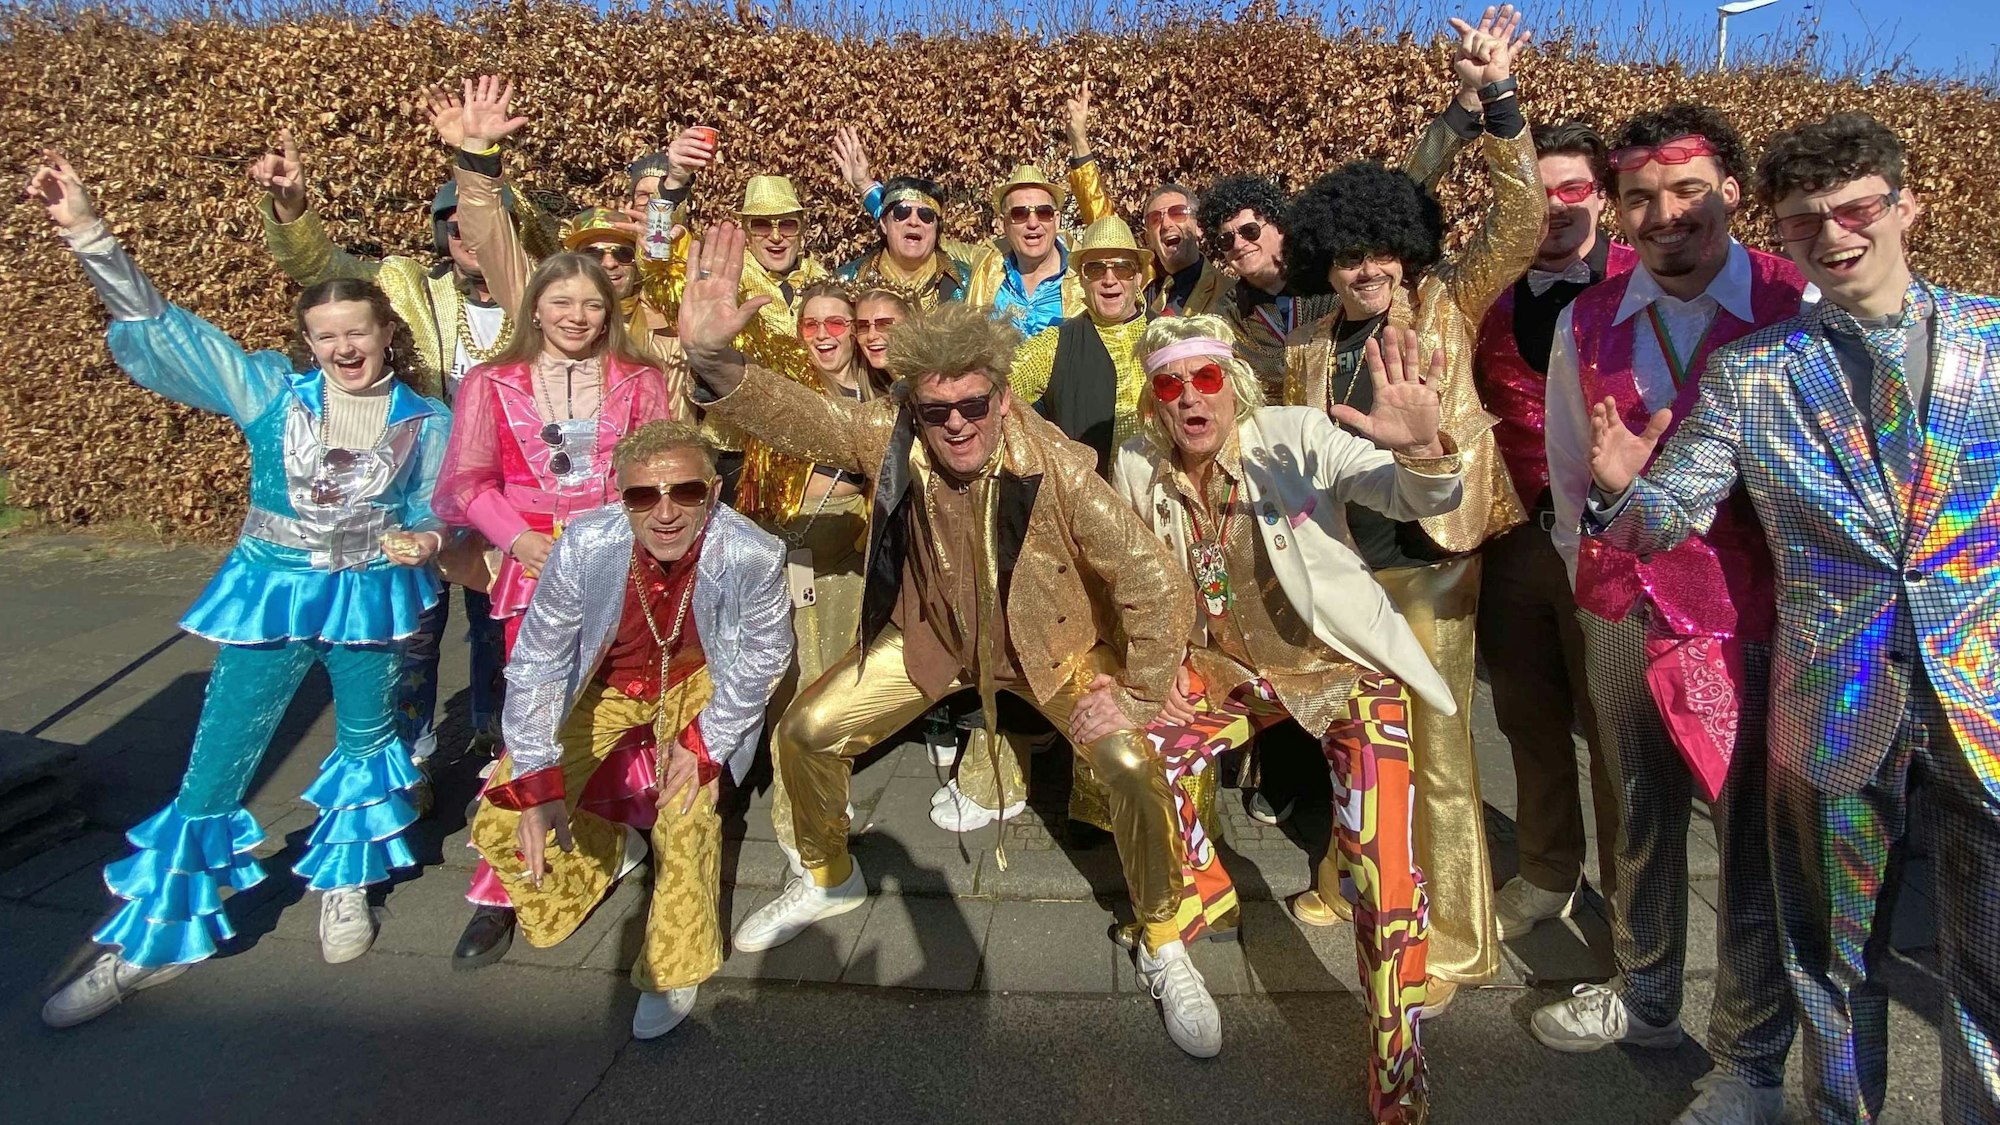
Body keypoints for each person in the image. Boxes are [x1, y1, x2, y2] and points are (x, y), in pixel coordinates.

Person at [680, 223, 1221, 1058]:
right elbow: (805, 418)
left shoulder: (1058, 467)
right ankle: (828, 875)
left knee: (1129, 765)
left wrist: (1139, 692)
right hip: (935, 638)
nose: (958, 424)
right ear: (914, 407)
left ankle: (1162, 937)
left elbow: (1154, 580)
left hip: (1050, 651)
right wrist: (715, 362)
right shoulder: (891, 434)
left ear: (1002, 398)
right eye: (937, 411)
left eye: (974, 405)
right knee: (806, 732)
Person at [1587, 111, 2000, 1125]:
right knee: (1829, 956)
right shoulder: (1752, 371)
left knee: (1988, 961)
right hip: (1831, 695)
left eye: (1854, 210)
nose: (1832, 236)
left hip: (1981, 694)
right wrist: (1623, 494)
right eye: (1804, 221)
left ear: (1905, 206)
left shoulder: (1992, 343)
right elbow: (1671, 510)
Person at [33, 154, 448, 1027]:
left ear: (387, 332)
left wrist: (431, 537)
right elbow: (165, 327)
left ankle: (347, 883)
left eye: (357, 332)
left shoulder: (428, 418)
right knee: (217, 762)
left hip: (371, 600)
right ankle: (153, 938)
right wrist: (89, 233)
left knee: (369, 744)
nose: (343, 348)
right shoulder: (267, 391)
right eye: (325, 336)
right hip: (272, 598)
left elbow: (436, 504)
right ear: (308, 342)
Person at [1533, 104, 1811, 1125]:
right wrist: (1588, 573)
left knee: (1753, 839)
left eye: (1687, 190)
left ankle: (1750, 1061)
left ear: (1731, 191)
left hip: (1752, 612)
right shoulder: (1589, 320)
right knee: (1638, 804)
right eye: (1641, 196)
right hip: (1623, 601)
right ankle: (1647, 992)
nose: (1665, 214)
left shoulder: (1796, 303)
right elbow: (1570, 467)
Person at [1114, 314, 1462, 1122]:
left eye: (1206, 378)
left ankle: (1397, 1067)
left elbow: (1399, 492)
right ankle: (1196, 895)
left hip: (1343, 673)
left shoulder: (1293, 438)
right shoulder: (1136, 462)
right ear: (1154, 400)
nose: (1191, 398)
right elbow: (1128, 575)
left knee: (1385, 871)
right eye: (1171, 384)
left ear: (1233, 385)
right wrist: (1155, 667)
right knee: (1133, 753)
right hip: (1229, 673)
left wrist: (1421, 451)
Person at [1280, 6, 1540, 1008]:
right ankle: (1347, 876)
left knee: (1437, 757)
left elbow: (1518, 221)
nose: (1368, 268)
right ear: (1326, 263)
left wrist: (1491, 104)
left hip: (1432, 563)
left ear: (1405, 250)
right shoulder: (1308, 344)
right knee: (1353, 740)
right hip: (1349, 571)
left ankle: (1458, 942)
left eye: (1383, 249)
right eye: (1349, 255)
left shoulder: (1444, 303)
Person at [471, 420, 792, 1039]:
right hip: (608, 687)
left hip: (699, 681)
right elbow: (538, 661)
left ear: (713, 492)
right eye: (643, 496)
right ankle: (609, 854)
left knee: (686, 816)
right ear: (620, 499)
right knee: (503, 815)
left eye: (685, 492)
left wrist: (706, 745)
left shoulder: (752, 552)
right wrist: (536, 777)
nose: (665, 512)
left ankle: (676, 963)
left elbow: (764, 654)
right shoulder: (585, 545)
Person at [432, 252, 678, 967]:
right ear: (534, 307)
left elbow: (661, 472)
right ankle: (499, 888)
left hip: (621, 565)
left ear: (610, 312)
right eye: (562, 302)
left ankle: (616, 831)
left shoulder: (640, 379)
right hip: (534, 570)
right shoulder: (490, 381)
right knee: (533, 721)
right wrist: (518, 539)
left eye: (592, 304)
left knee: (621, 709)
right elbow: (466, 481)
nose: (577, 316)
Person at [1470, 120, 1635, 939]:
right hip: (1516, 543)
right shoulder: (1489, 295)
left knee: (1617, 738)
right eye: (1541, 192)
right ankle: (1544, 869)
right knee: (1527, 719)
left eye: (1574, 188)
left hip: (1616, 544)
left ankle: (1636, 909)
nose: (1558, 206)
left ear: (1601, 197)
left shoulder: (1648, 285)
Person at [446, 75, 702, 408]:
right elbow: (490, 237)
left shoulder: (670, 320)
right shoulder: (546, 310)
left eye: (623, 253)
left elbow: (662, 254)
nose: (609, 263)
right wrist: (478, 154)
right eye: (593, 254)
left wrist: (675, 183)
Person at [759, 279, 876, 871]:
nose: (824, 336)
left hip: (848, 564)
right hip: (790, 553)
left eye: (837, 323)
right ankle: (799, 822)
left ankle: (828, 799)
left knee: (834, 690)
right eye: (812, 325)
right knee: (794, 691)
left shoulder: (877, 395)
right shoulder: (786, 390)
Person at [831, 162, 972, 307]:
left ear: (937, 228)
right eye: (901, 212)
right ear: (884, 224)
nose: (914, 221)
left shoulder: (969, 282)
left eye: (926, 215)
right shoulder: (845, 283)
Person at [1140, 183, 1228, 317]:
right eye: (1155, 219)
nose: (1166, 224)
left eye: (1177, 213)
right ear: (1148, 239)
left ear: (1199, 226)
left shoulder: (1228, 294)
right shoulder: (1141, 301)